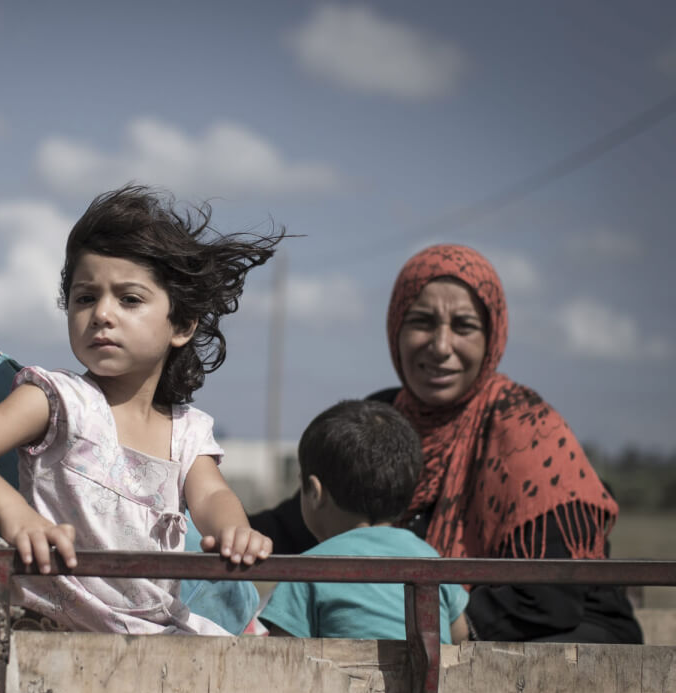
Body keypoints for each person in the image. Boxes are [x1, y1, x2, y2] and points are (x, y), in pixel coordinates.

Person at [250, 244, 642, 644]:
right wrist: (221, 529)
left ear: (492, 336)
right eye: (421, 322)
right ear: (395, 329)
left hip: (561, 638)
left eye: (464, 326)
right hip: (435, 632)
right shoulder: (383, 417)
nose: (440, 346)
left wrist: (436, 629)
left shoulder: (529, 431)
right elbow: (308, 519)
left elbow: (550, 597)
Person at [0, 185, 279, 635]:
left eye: (129, 299)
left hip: (151, 634)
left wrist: (235, 530)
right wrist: (14, 513)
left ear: (181, 325)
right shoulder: (58, 400)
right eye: (85, 297)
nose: (102, 313)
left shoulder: (188, 431)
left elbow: (212, 496)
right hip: (50, 628)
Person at [258, 399, 469, 643]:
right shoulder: (431, 558)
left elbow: (281, 657)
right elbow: (460, 636)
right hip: (430, 681)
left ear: (315, 492)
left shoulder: (307, 570)